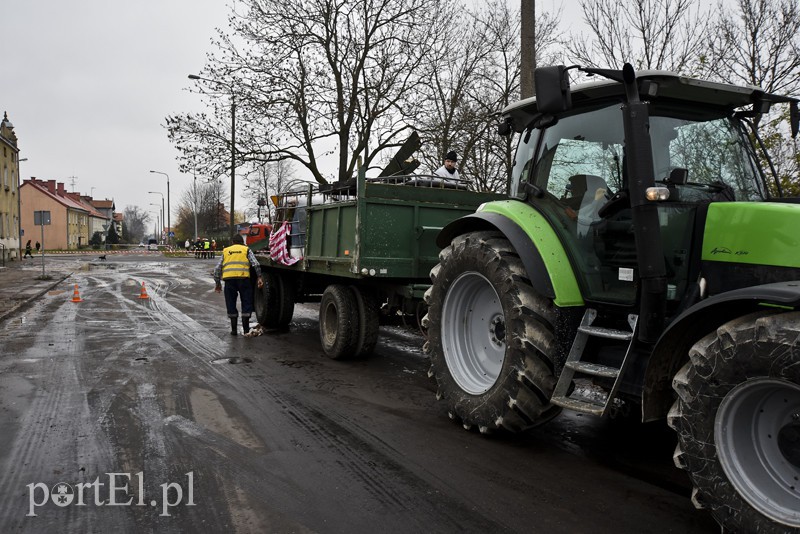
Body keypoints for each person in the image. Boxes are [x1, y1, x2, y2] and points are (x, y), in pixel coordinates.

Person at [213, 234, 264, 336]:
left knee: (230, 303)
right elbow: (256, 264)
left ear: (232, 242)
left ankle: (234, 330)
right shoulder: (246, 249)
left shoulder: (226, 251)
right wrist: (259, 277)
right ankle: (245, 330)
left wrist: (218, 283)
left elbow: (217, 269)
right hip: (244, 280)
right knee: (246, 302)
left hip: (229, 281)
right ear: (242, 242)